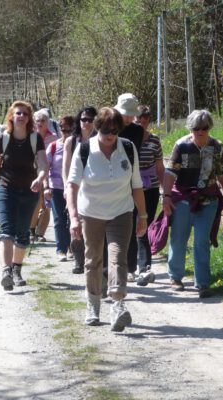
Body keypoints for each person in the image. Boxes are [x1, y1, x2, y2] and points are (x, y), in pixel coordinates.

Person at [67, 107, 147, 332]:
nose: (110, 135)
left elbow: (137, 185)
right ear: (96, 128)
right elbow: (71, 186)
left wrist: (143, 216)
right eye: (105, 130)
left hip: (121, 212)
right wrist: (73, 217)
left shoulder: (128, 149)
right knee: (92, 261)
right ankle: (92, 305)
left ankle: (118, 306)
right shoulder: (84, 150)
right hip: (90, 213)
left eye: (114, 130)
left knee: (118, 258)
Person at [163, 109, 223, 298]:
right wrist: (166, 197)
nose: (199, 132)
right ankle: (175, 277)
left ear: (209, 128)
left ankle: (202, 283)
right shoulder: (182, 146)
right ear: (190, 128)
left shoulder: (217, 147)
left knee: (202, 241)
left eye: (203, 128)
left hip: (208, 199)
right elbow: (170, 173)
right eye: (196, 128)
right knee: (179, 238)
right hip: (184, 199)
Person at [0, 101, 48, 291]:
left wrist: (40, 179)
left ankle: (16, 270)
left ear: (29, 118)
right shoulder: (2, 138)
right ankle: (6, 271)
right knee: (6, 229)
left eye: (24, 114)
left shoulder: (35, 138)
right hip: (5, 188)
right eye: (17, 113)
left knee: (22, 232)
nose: (21, 116)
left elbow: (43, 164)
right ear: (11, 117)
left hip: (29, 190)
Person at [114, 93, 145, 284]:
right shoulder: (106, 126)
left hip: (127, 181)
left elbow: (133, 158)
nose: (127, 118)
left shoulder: (137, 131)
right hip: (105, 183)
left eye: (130, 115)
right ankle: (109, 267)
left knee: (131, 224)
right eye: (125, 114)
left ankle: (131, 267)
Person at [62, 106, 98, 274]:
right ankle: (78, 259)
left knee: (92, 224)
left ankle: (92, 259)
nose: (87, 123)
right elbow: (66, 168)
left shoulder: (100, 139)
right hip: (75, 188)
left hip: (93, 189)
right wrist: (66, 187)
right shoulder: (71, 141)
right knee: (74, 223)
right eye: (84, 119)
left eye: (90, 119)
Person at [132, 105, 165, 286]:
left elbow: (160, 168)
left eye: (145, 122)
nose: (142, 125)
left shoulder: (154, 141)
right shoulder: (127, 139)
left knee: (144, 223)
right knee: (133, 225)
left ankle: (142, 267)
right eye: (138, 122)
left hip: (150, 189)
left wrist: (165, 192)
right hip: (130, 189)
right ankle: (140, 266)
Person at [45, 115, 74, 262]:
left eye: (69, 129)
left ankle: (71, 248)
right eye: (63, 129)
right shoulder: (53, 146)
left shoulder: (79, 145)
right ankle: (61, 249)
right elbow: (45, 167)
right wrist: (46, 187)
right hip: (56, 187)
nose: (66, 132)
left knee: (73, 219)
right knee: (59, 219)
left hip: (74, 188)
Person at [29, 109, 58, 242]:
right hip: (32, 173)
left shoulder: (53, 138)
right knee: (34, 202)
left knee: (46, 204)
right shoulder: (30, 135)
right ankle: (31, 229)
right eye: (38, 120)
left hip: (49, 173)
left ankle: (40, 233)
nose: (40, 123)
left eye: (43, 121)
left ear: (48, 122)